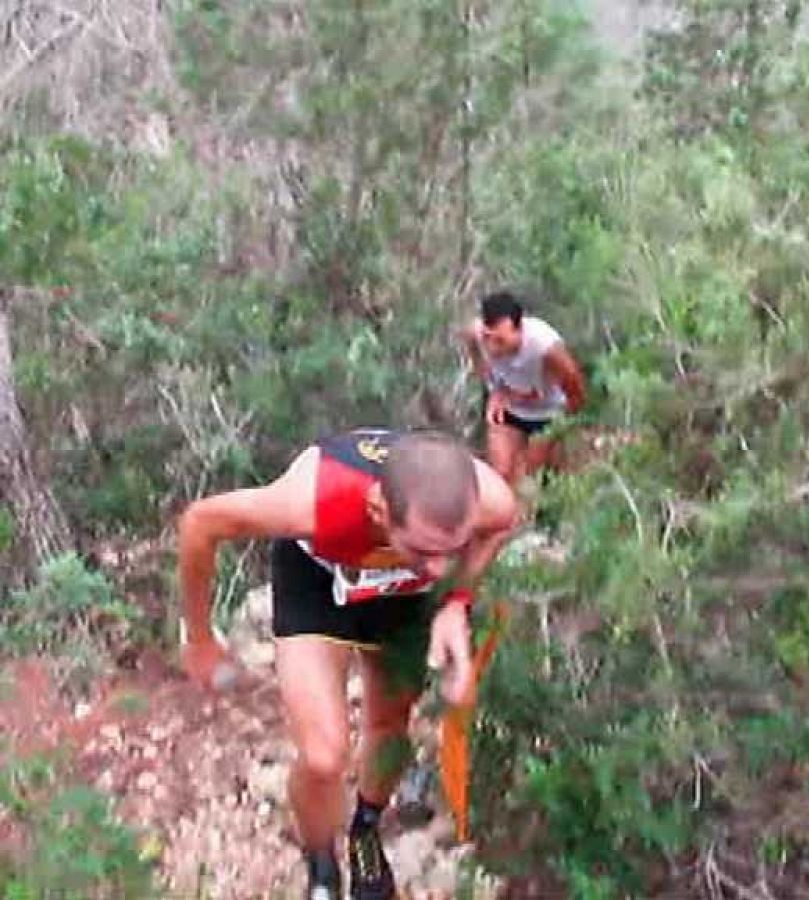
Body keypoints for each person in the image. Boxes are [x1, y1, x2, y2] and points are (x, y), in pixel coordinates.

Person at [177, 428, 520, 900]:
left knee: (390, 729)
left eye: (452, 550)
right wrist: (199, 639)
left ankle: (365, 829)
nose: (440, 565)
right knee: (323, 755)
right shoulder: (311, 500)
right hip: (320, 581)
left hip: (405, 597)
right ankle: (320, 865)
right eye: (425, 549)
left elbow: (504, 522)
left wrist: (456, 599)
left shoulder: (485, 501)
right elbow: (200, 522)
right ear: (380, 510)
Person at [461, 291, 587, 486]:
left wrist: (562, 426)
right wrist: (493, 388)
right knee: (500, 474)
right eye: (488, 337)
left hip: (547, 414)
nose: (492, 347)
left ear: (519, 329)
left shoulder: (545, 348)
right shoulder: (477, 334)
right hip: (508, 410)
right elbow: (475, 352)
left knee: (529, 477)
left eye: (500, 340)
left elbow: (575, 387)